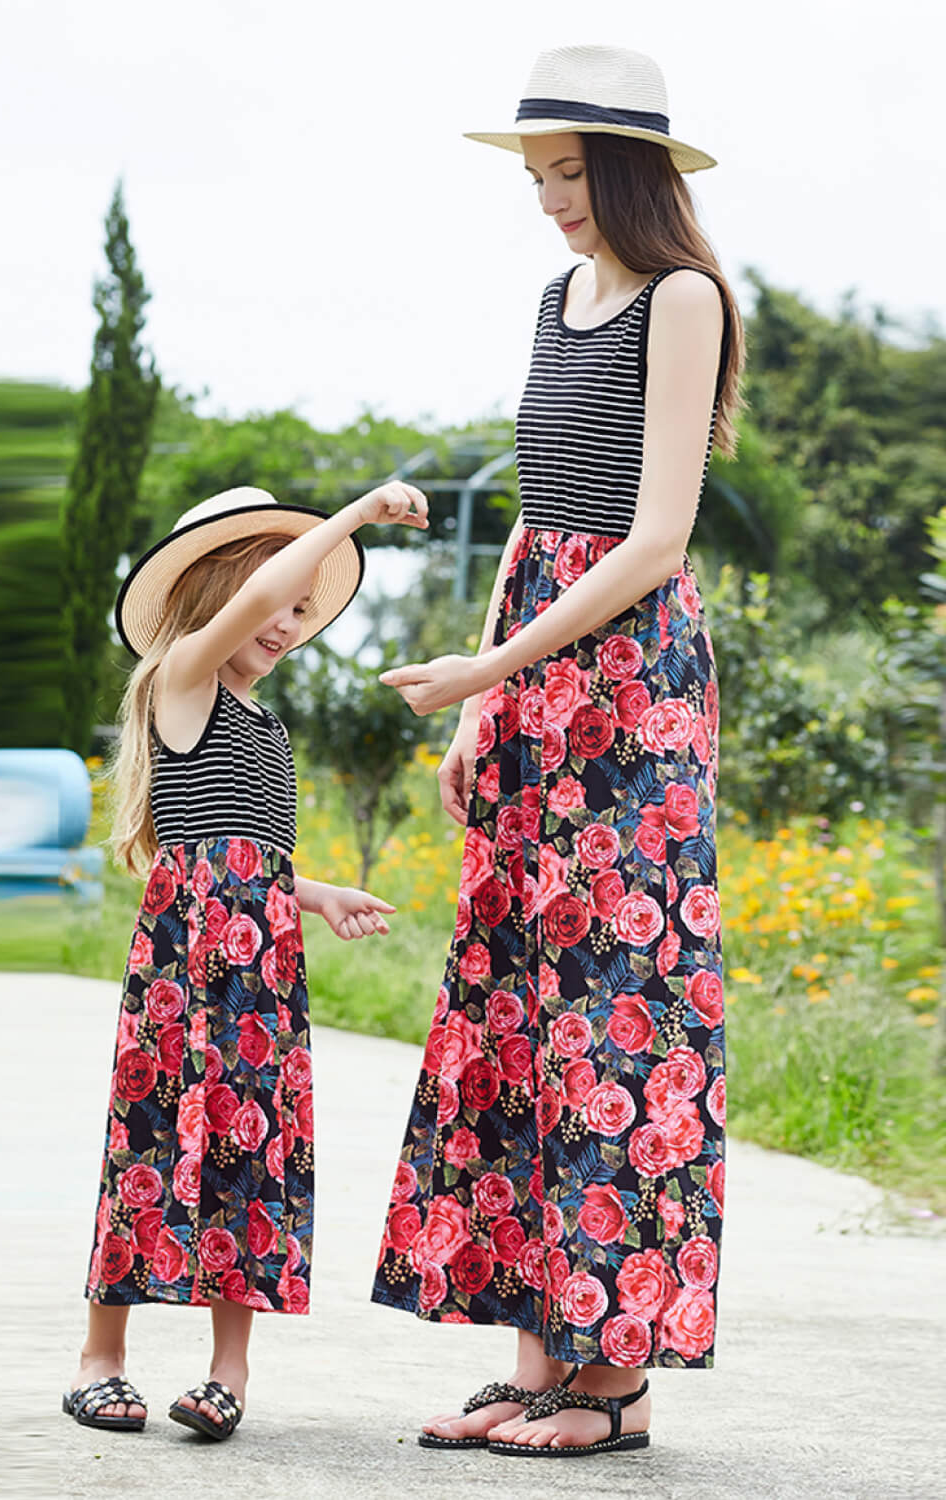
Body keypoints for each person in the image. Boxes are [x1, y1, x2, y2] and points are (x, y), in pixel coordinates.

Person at [371, 43, 743, 1459]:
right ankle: (539, 1365)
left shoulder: (686, 297)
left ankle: (616, 1385)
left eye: (572, 175)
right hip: (531, 671)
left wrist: (490, 664)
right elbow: (539, 517)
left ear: (634, 169)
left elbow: (654, 539)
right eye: (536, 178)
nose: (551, 202)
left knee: (616, 1005)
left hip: (629, 688)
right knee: (523, 1006)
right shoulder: (556, 298)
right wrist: (481, 697)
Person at [63, 481, 427, 1441]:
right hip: (184, 965)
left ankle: (230, 1372)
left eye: (303, 614)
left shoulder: (265, 726)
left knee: (250, 1148)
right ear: (224, 591)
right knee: (150, 1140)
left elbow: (249, 855)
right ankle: (101, 1358)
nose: (288, 622)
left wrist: (318, 894)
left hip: (259, 971)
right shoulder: (180, 680)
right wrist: (349, 519)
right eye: (279, 601)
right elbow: (254, 601)